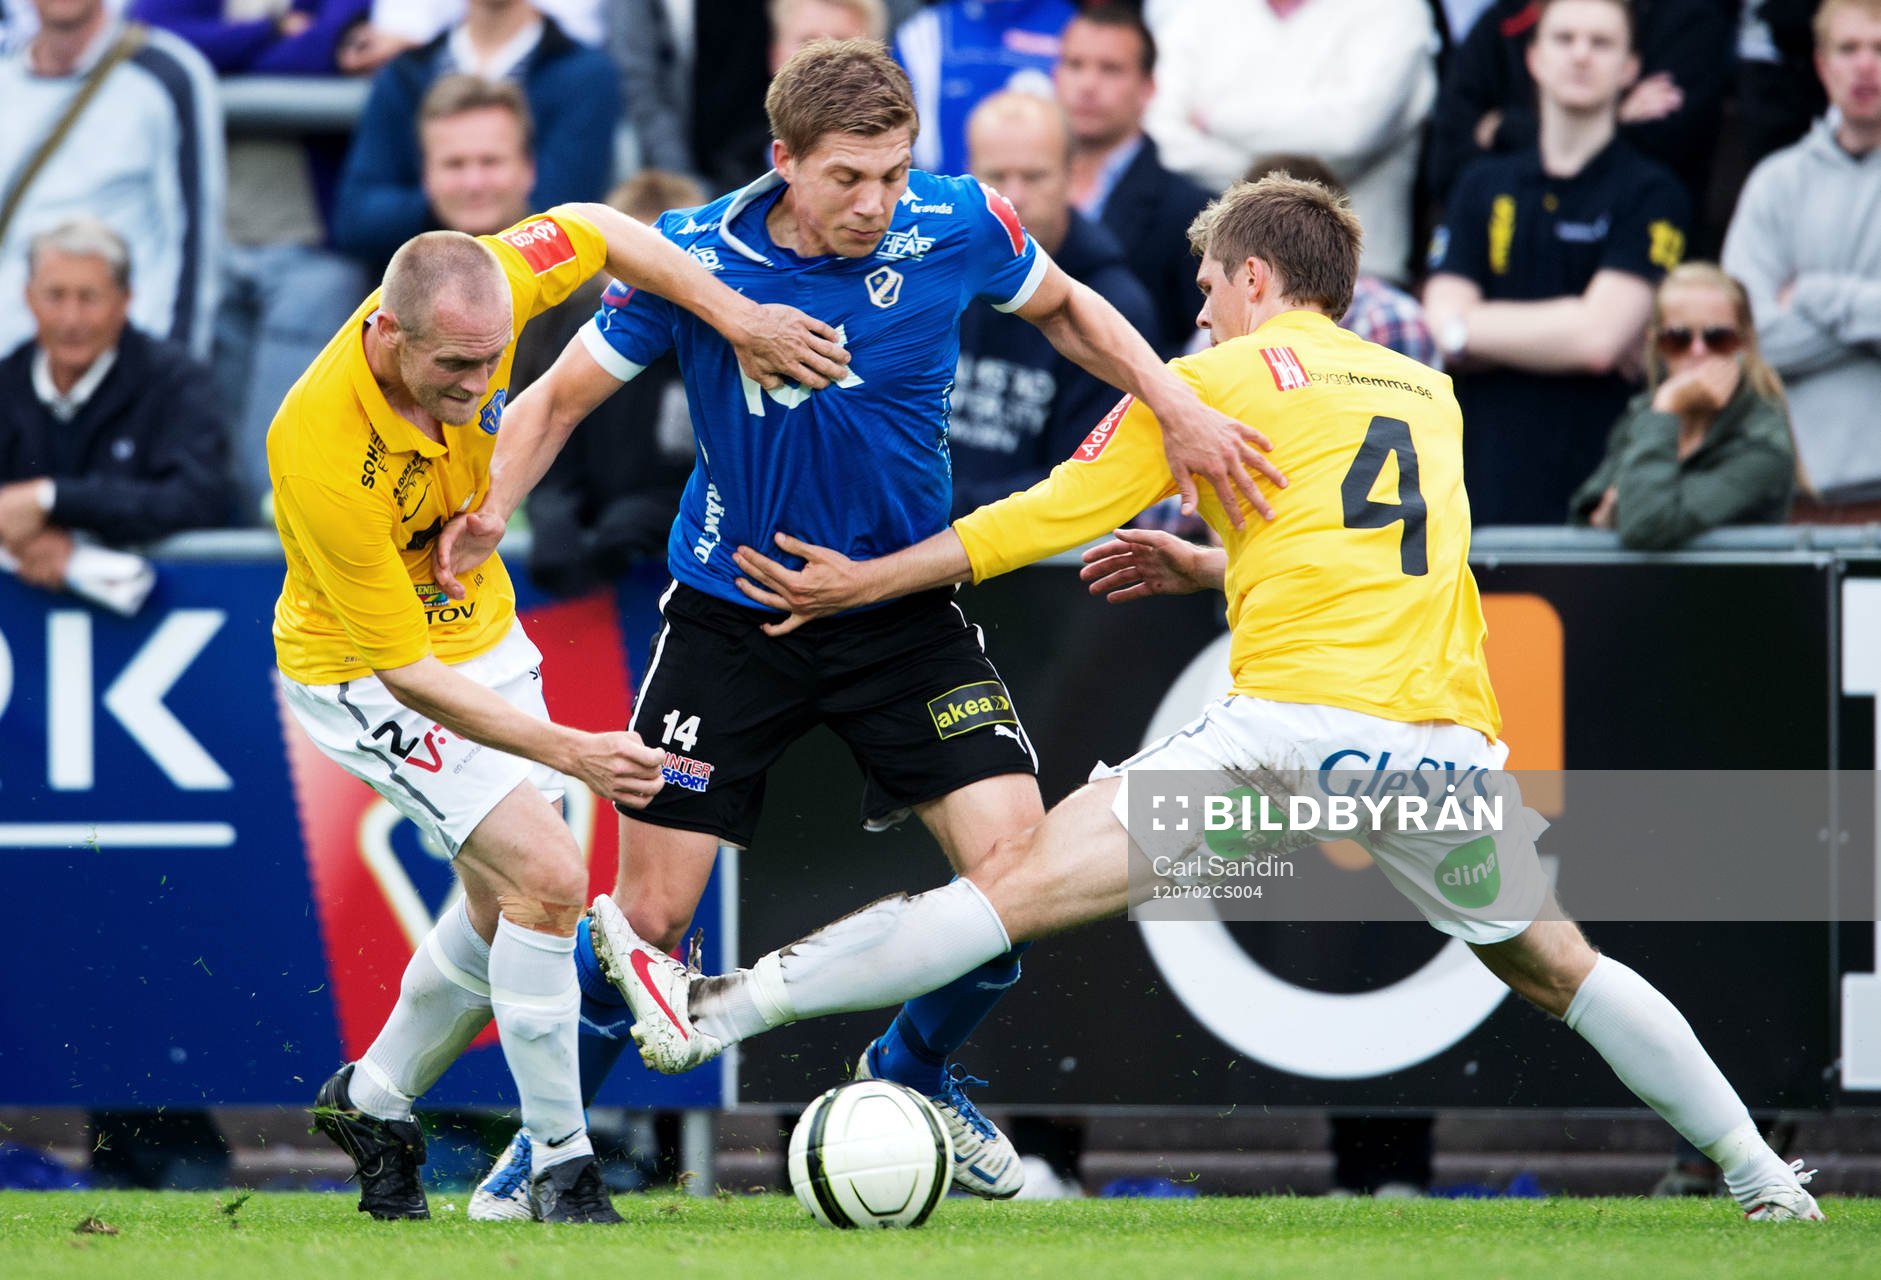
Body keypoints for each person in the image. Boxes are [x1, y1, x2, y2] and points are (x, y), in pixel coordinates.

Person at [601, 172, 1825, 1226]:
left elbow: (1047, 513)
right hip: (1434, 750)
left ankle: (715, 1008)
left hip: (1280, 742)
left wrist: (868, 580)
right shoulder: (1427, 393)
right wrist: (1213, 566)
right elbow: (1378, 553)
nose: (1195, 314)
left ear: (1252, 277)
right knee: (1563, 967)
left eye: (1203, 290)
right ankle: (1765, 1176)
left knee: (1004, 889)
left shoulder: (1223, 376)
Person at [433, 37, 1278, 1215]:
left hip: (900, 614)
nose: (876, 202)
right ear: (784, 160)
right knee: (650, 920)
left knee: (1019, 875)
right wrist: (492, 511)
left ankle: (914, 1069)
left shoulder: (956, 221)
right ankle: (545, 1148)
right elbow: (558, 396)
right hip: (732, 617)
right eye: (847, 177)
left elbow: (1071, 309)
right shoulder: (694, 257)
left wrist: (1174, 401)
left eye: (893, 172)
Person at [276, 202, 843, 1223]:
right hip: (361, 673)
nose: (478, 386)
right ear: (388, 333)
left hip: (479, 629)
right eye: (455, 366)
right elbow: (407, 674)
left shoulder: (488, 281)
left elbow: (595, 224)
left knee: (501, 906)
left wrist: (738, 317)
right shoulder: (317, 448)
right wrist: (575, 749)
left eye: (492, 360)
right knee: (547, 879)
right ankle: (560, 1166)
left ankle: (372, 1100)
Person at [1423, 0, 1688, 526]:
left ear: (1630, 68)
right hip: (1481, 489)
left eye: (1601, 42)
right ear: (1534, 58)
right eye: (1564, 39)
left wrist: (1470, 330)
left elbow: (1598, 340)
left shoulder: (1654, 193)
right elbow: (1440, 322)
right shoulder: (1480, 184)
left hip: (1596, 493)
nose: (1581, 54)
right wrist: (1568, 324)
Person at [949, 89, 1157, 516]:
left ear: (1072, 175)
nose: (1014, 196)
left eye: (1034, 177)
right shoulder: (931, 275)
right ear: (969, 175)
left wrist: (933, 509)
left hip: (1046, 552)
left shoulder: (1114, 305)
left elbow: (1089, 483)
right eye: (996, 176)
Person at [0, 217, 229, 589]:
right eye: (55, 296)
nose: (71, 319)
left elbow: (198, 499)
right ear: (28, 298)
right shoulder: (7, 382)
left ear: (125, 300)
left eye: (88, 298)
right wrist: (24, 540)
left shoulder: (176, 383)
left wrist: (52, 500)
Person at [1142, 0, 1436, 284]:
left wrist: (1216, 120)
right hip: (1222, 275)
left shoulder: (1395, 10)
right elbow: (1159, 134)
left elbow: (1350, 135)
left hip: (1354, 278)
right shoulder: (1197, 10)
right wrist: (1295, 160)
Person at [1722, 0, 1881, 522]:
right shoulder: (1775, 183)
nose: (1865, 65)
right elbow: (1742, 342)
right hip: (1795, 503)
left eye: (1879, 49)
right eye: (1849, 49)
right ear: (1821, 64)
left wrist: (1812, 295)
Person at [0, 0, 224, 362]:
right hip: (10, 364)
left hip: (121, 370)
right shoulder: (6, 76)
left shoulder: (168, 73)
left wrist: (174, 375)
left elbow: (195, 245)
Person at [523, 169, 705, 596]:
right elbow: (552, 448)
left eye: (667, 262)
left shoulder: (724, 352)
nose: (648, 281)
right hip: (601, 577)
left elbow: (736, 480)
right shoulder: (577, 336)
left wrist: (655, 513)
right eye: (628, 263)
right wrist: (553, 519)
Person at [331, 0, 618, 266]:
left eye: (489, 162)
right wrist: (448, 199)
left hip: (540, 285)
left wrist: (458, 197)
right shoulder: (405, 72)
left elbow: (564, 213)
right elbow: (355, 217)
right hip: (416, 279)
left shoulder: (585, 75)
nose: (474, 182)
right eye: (455, 165)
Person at [1570, 263, 1796, 547]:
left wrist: (1668, 406)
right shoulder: (1645, 414)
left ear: (1744, 344)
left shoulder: (1763, 444)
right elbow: (1585, 513)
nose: (1698, 351)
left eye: (1718, 338)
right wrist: (1604, 518)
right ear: (1657, 345)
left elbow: (1647, 524)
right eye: (1677, 339)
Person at [1054, 2, 1211, 357]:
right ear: (1055, 75)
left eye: (1110, 69)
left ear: (1148, 87)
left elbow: (1201, 342)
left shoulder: (1189, 210)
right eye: (1075, 64)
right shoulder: (1021, 183)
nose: (1088, 84)